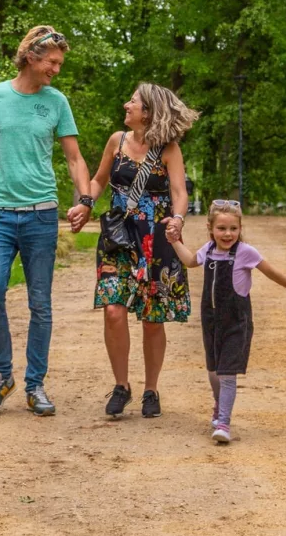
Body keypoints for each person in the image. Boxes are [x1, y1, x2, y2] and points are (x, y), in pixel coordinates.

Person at [0, 25, 93, 416]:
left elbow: (74, 157)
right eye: (53, 62)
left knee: (40, 303)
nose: (57, 69)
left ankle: (35, 385)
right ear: (32, 57)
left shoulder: (56, 102)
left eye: (60, 63)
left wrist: (84, 200)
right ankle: (3, 376)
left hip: (42, 215)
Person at [78, 83, 197, 420]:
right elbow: (100, 180)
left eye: (133, 101)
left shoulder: (169, 149)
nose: (126, 104)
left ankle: (151, 389)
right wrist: (86, 203)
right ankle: (121, 385)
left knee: (152, 319)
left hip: (156, 239)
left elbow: (179, 192)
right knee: (113, 310)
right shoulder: (116, 141)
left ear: (148, 112)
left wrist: (177, 219)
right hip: (118, 237)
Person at [169, 200, 286, 443]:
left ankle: (223, 422)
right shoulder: (209, 250)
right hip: (211, 319)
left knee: (227, 373)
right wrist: (174, 241)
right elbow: (191, 261)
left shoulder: (246, 252)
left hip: (236, 321)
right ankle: (218, 404)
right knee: (214, 370)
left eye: (233, 228)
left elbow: (272, 272)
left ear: (240, 227)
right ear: (211, 228)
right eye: (222, 228)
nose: (228, 234)